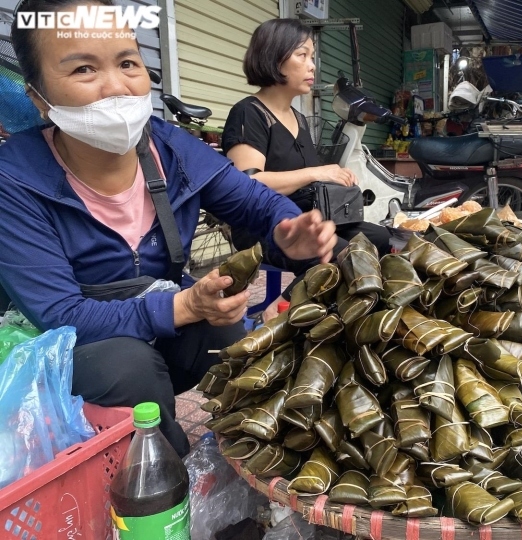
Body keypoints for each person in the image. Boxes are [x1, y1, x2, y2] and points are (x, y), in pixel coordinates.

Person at [0, 0, 337, 457]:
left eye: (127, 63)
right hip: (65, 349)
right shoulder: (14, 179)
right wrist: (182, 306)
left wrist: (287, 231)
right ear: (38, 96)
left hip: (156, 315)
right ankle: (165, 479)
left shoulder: (168, 146)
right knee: (130, 366)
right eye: (83, 69)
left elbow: (256, 202)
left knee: (230, 338)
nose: (116, 87)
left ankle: (243, 454)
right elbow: (61, 313)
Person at [222, 18, 392, 321]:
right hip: (265, 228)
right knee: (342, 256)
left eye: (312, 56)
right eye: (302, 55)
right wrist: (317, 172)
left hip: (306, 219)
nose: (312, 66)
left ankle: (344, 315)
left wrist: (336, 178)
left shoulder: (299, 119)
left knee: (381, 240)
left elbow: (312, 185)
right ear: (274, 58)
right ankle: (279, 314)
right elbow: (247, 185)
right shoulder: (249, 113)